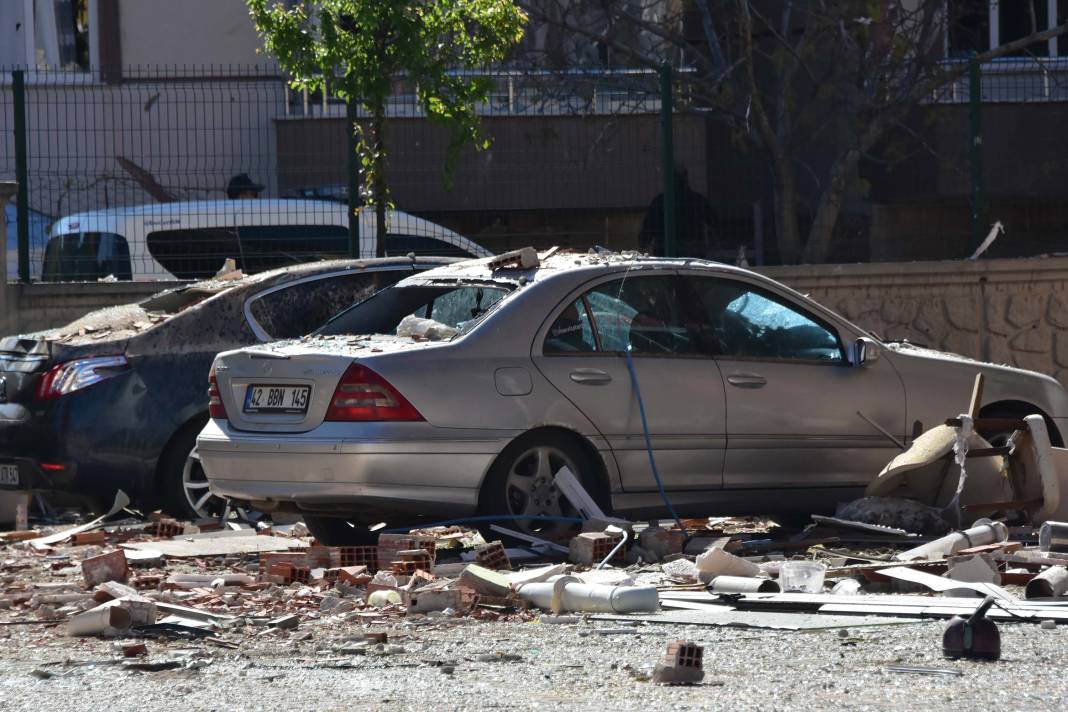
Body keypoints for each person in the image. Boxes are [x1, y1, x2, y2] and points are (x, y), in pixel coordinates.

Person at [638, 168, 714, 258]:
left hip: (665, 255)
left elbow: (646, 234)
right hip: (694, 255)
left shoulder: (659, 201)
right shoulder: (698, 200)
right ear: (686, 179)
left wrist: (644, 241)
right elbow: (715, 225)